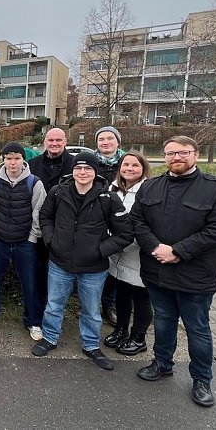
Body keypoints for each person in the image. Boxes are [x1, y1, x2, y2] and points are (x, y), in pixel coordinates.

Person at [131, 136, 216, 408]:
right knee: (163, 320)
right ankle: (162, 363)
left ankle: (202, 379)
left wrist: (177, 251)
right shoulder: (150, 187)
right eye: (170, 153)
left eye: (182, 152)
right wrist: (156, 247)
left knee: (197, 328)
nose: (176, 157)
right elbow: (138, 221)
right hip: (157, 270)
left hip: (195, 274)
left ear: (196, 154)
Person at [32, 152, 132, 371]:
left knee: (91, 310)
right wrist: (51, 240)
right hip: (59, 263)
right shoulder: (58, 192)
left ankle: (90, 345)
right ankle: (49, 338)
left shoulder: (108, 198)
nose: (83, 172)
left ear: (95, 172)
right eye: (78, 168)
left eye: (88, 168)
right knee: (54, 305)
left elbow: (125, 234)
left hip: (93, 267)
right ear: (73, 170)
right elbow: (45, 217)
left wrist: (100, 251)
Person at [0, 142, 46, 342]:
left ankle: (33, 320)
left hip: (25, 241)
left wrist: (33, 236)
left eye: (17, 158)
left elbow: (39, 211)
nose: (13, 162)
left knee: (30, 282)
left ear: (23, 159)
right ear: (3, 160)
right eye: (9, 158)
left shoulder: (35, 183)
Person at [104, 152, 153, 356]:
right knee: (122, 293)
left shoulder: (149, 190)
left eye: (135, 165)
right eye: (126, 165)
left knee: (141, 296)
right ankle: (121, 330)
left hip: (137, 252)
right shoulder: (113, 188)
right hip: (116, 251)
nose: (129, 169)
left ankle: (138, 337)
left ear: (144, 168)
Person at [29, 128, 75, 308]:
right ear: (45, 142)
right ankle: (39, 301)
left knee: (60, 267)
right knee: (38, 265)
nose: (54, 143)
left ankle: (56, 303)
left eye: (58, 140)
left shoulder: (75, 163)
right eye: (50, 140)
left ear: (65, 141)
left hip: (65, 223)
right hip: (37, 222)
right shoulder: (33, 164)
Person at [95, 126, 125, 325]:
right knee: (96, 263)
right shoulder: (90, 162)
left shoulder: (127, 162)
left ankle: (110, 303)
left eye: (110, 138)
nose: (105, 142)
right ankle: (91, 303)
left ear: (118, 142)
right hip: (95, 219)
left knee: (116, 264)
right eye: (101, 139)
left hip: (119, 217)